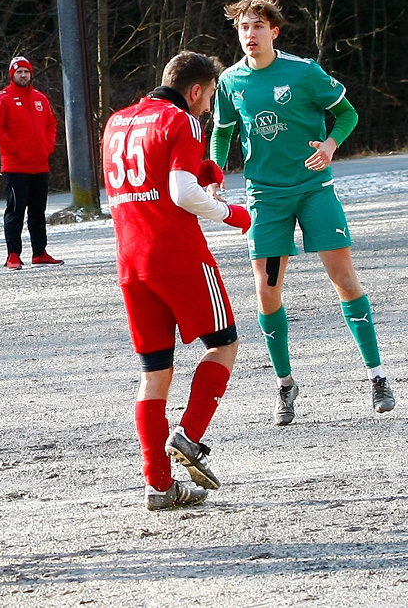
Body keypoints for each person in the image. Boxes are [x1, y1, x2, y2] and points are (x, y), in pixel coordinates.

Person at [210, 0, 394, 425]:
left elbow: (347, 113)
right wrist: (215, 171)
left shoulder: (304, 72)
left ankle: (377, 375)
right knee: (266, 292)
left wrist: (331, 145)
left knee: (345, 279)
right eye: (242, 28)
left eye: (257, 26)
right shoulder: (231, 81)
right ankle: (285, 385)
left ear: (274, 31)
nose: (249, 34)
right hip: (266, 199)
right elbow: (221, 135)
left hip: (314, 190)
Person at [102, 51, 251, 511]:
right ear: (195, 90)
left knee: (154, 373)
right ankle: (189, 435)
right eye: (208, 99)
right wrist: (232, 214)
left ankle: (159, 486)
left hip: (131, 260)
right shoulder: (182, 121)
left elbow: (143, 177)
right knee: (224, 343)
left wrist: (201, 166)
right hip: (178, 256)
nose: (207, 109)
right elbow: (182, 192)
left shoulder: (117, 121)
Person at [0, 56, 64, 270]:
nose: (23, 75)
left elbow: (51, 123)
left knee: (38, 212)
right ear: (12, 74)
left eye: (26, 72)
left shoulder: (40, 98)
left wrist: (48, 147)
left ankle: (39, 252)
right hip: (15, 167)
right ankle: (13, 255)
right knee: (15, 212)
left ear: (31, 74)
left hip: (40, 166)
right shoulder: (2, 98)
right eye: (19, 72)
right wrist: (14, 149)